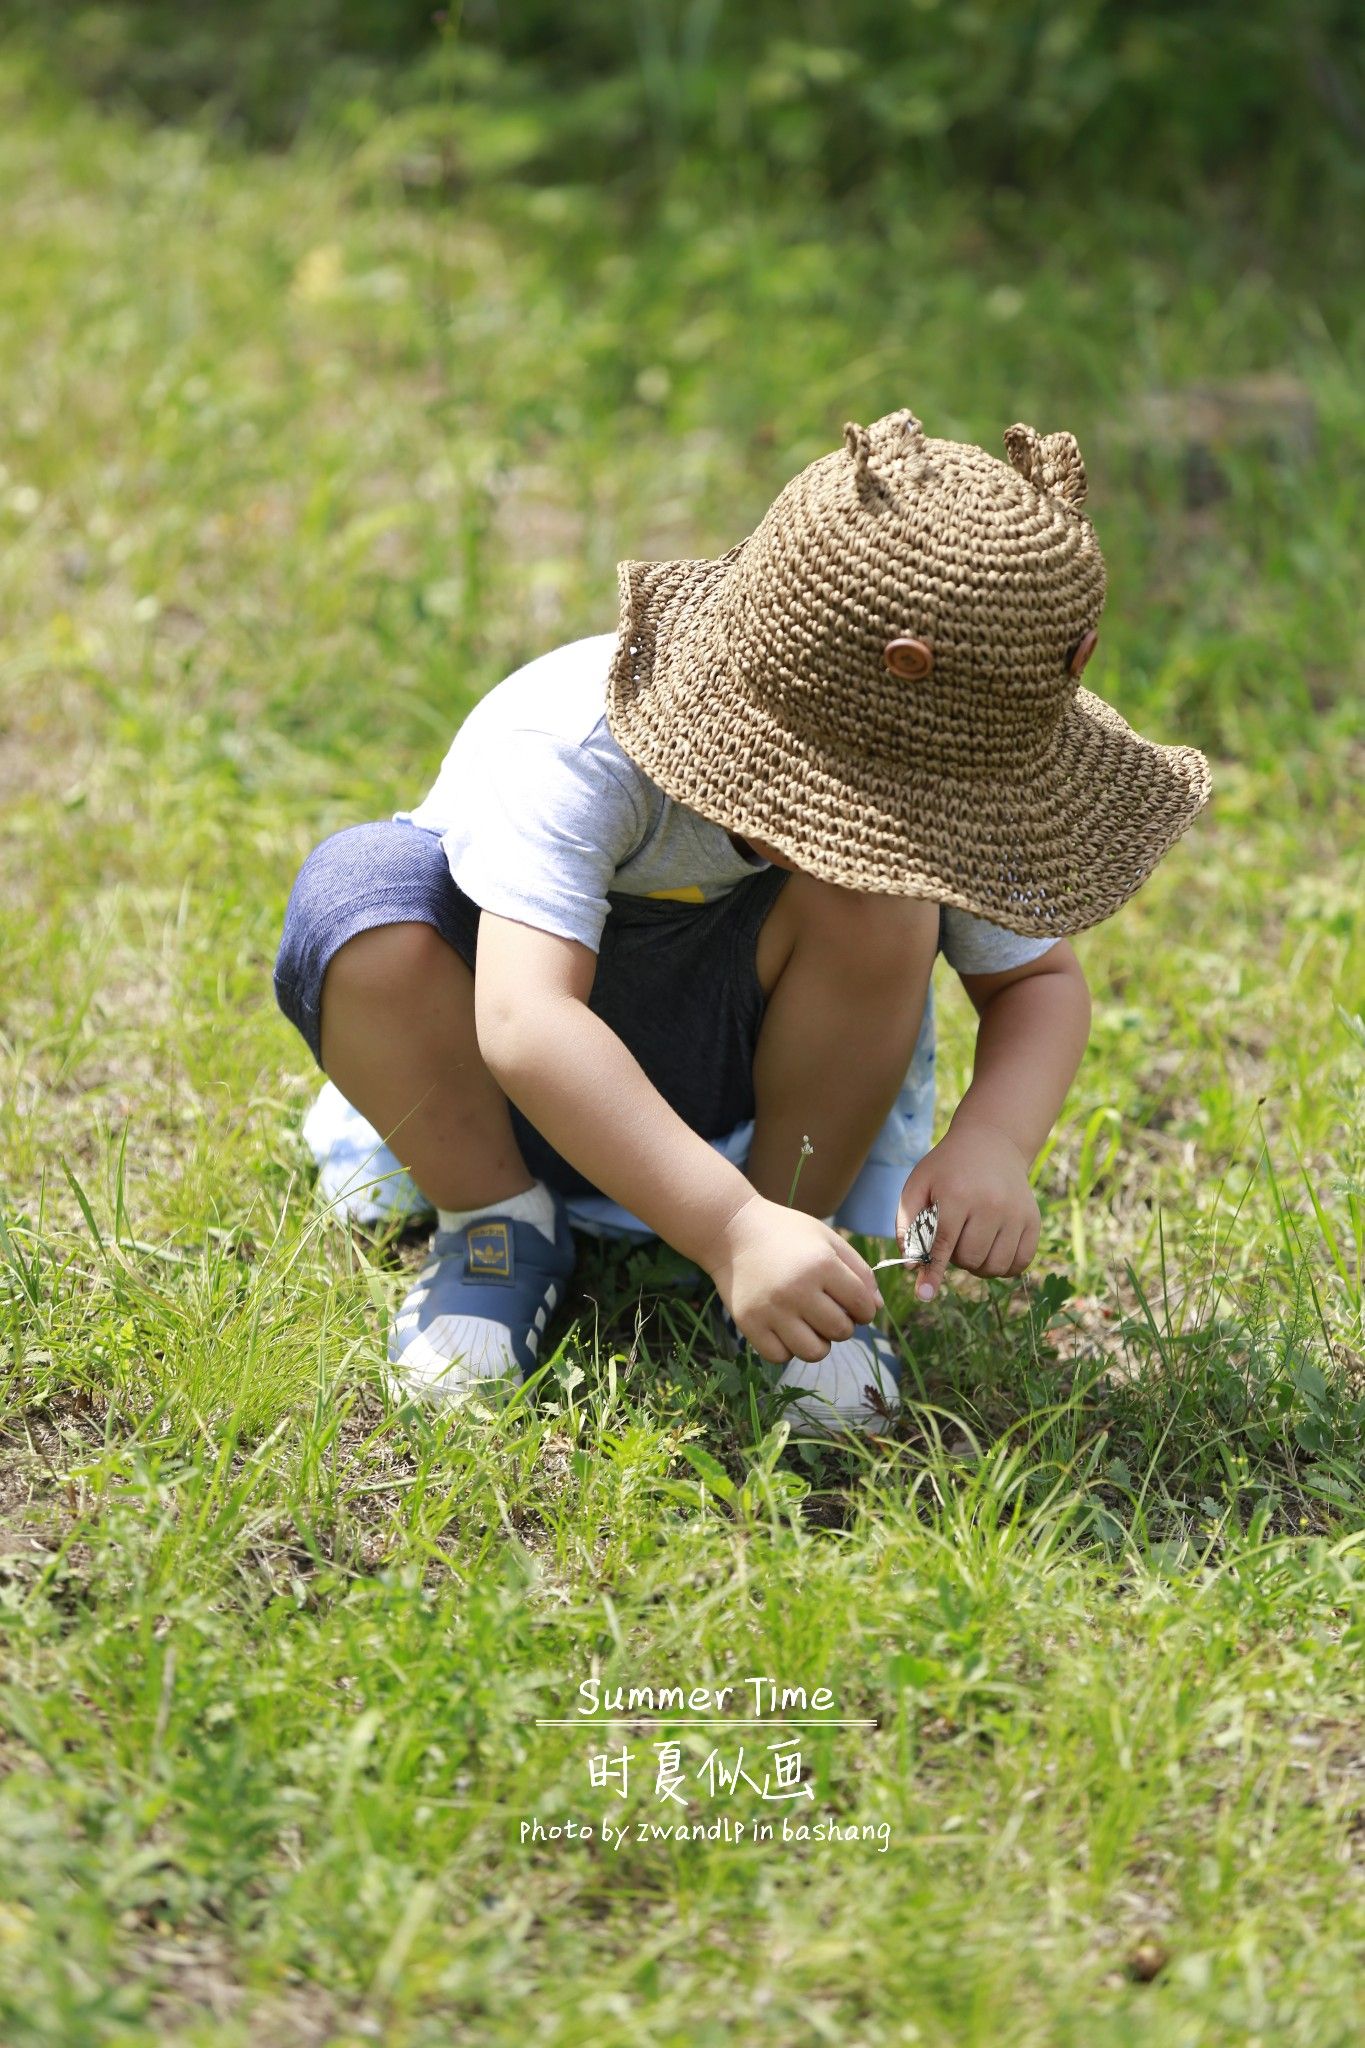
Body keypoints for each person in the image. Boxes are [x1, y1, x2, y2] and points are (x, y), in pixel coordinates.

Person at [273, 407, 1211, 1433]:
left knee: (882, 906)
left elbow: (1035, 982)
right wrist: (725, 1227)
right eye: (863, 810)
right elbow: (524, 1022)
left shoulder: (937, 793)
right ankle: (500, 1231)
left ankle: (797, 1252)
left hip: (753, 1107)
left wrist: (994, 1140)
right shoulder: (576, 741)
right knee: (359, 902)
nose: (889, 836)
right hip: (496, 1090)